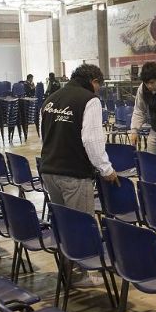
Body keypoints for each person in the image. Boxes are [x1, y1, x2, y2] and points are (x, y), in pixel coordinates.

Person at [40, 63, 117, 217]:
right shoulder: (90, 100)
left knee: (64, 222)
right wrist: (106, 169)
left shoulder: (50, 99)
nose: (98, 90)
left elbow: (43, 135)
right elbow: (91, 140)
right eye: (99, 86)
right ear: (94, 81)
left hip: (49, 172)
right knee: (82, 226)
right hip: (74, 174)